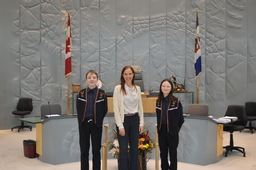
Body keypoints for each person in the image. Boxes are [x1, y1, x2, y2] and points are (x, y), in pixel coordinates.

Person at [113, 66, 144, 170]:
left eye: (130, 74)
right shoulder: (118, 89)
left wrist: (141, 123)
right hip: (124, 121)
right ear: (122, 75)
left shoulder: (137, 88)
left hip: (135, 119)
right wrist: (120, 126)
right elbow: (116, 108)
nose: (128, 76)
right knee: (124, 149)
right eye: (126, 74)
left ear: (133, 75)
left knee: (134, 149)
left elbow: (140, 107)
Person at [76, 70, 108, 170]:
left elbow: (105, 109)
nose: (91, 79)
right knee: (84, 150)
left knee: (96, 151)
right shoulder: (81, 93)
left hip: (96, 125)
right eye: (89, 77)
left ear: (97, 80)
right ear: (86, 80)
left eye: (94, 77)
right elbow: (78, 108)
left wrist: (98, 121)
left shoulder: (102, 94)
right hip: (84, 125)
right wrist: (82, 121)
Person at [156, 79, 184, 170]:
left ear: (171, 88)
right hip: (161, 131)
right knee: (163, 154)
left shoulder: (176, 101)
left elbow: (181, 119)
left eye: (168, 86)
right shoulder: (158, 101)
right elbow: (158, 116)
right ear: (161, 88)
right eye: (163, 86)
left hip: (172, 132)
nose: (165, 88)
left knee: (173, 154)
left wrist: (175, 129)